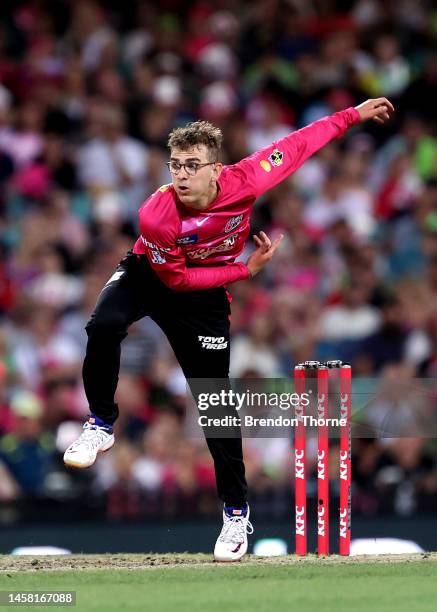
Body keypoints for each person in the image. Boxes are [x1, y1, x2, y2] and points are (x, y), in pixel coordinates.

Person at [63, 97, 394, 561]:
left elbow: (298, 145)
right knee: (103, 324)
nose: (181, 175)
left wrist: (351, 115)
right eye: (176, 165)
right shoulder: (156, 214)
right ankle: (100, 424)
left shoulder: (248, 178)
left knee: (215, 404)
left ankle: (236, 515)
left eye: (192, 166)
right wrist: (245, 271)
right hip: (153, 274)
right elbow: (175, 279)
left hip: (204, 301)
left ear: (216, 169)